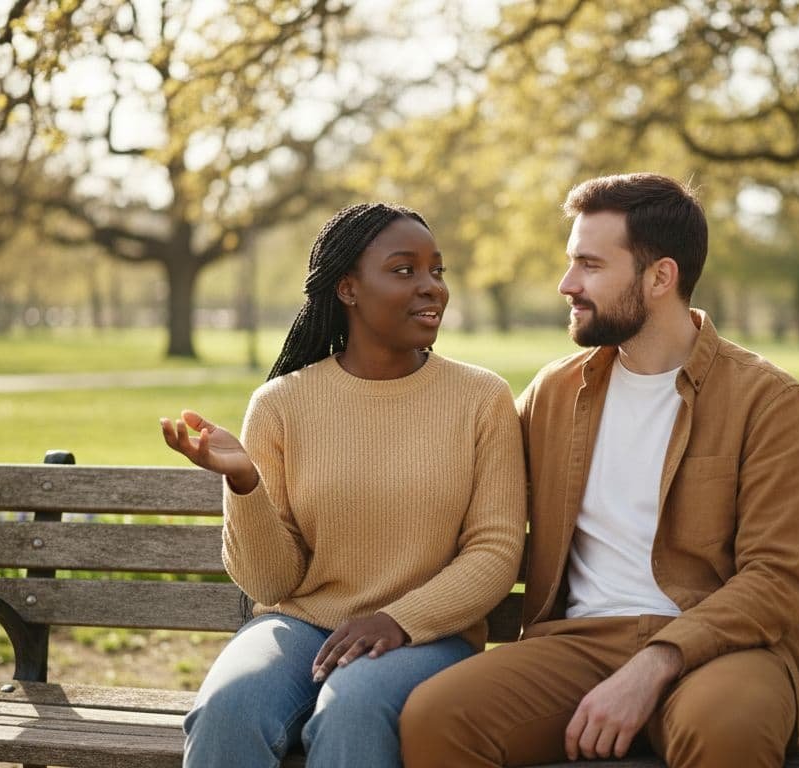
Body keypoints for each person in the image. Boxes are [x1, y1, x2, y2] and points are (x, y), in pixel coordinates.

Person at [400, 173, 799, 768]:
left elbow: (777, 581)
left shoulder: (768, 400)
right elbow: (455, 479)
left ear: (660, 276)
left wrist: (657, 661)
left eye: (590, 265)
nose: (566, 284)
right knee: (437, 719)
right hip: (578, 645)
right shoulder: (554, 392)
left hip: (725, 651)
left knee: (726, 733)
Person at [160, 203, 526, 768]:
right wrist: (244, 483)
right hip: (301, 627)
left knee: (352, 704)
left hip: (428, 636)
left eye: (437, 271)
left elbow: (495, 551)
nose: (431, 287)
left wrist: (398, 621)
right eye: (405, 270)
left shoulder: (481, 399)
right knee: (228, 706)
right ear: (349, 288)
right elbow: (272, 580)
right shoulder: (281, 404)